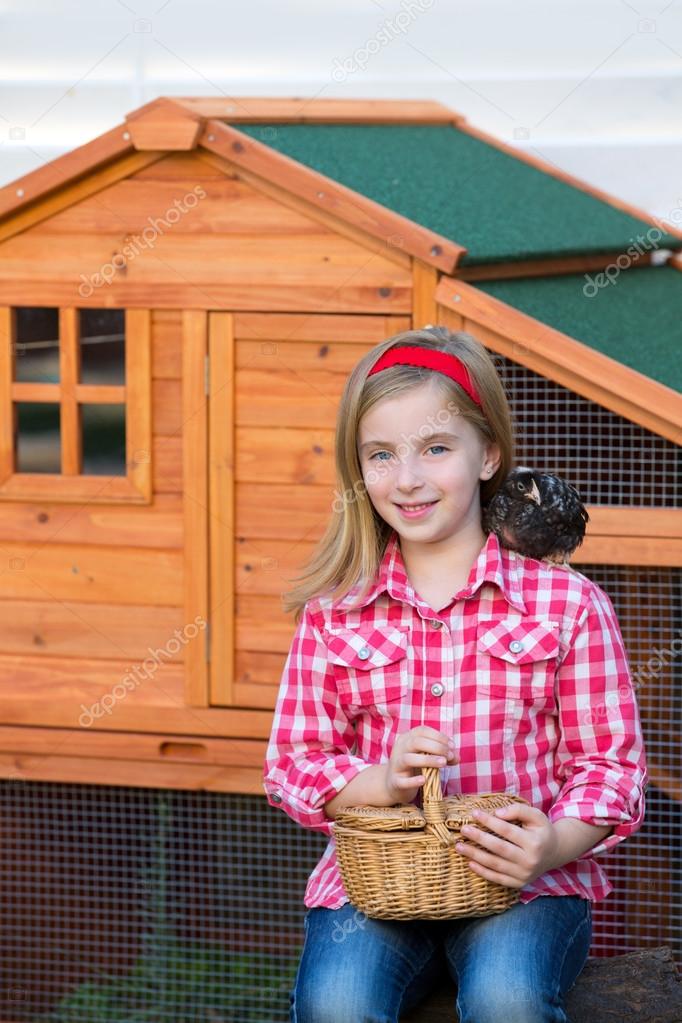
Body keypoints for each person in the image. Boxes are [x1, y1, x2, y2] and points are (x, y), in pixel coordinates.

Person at [262, 327, 647, 1023]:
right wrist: (380, 782)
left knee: (508, 999)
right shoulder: (333, 612)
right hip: (374, 891)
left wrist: (552, 843)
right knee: (336, 1003)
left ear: (488, 453)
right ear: (359, 469)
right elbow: (294, 763)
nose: (407, 478)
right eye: (381, 454)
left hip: (527, 887)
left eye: (436, 448)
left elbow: (610, 767)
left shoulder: (568, 604)